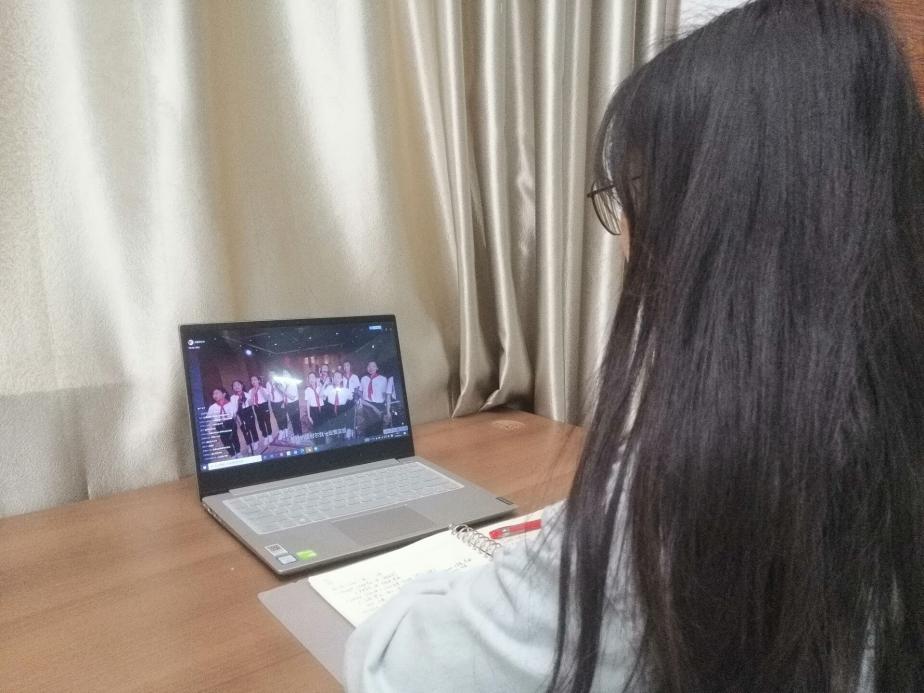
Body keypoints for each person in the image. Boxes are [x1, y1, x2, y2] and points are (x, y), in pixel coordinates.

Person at [344, 1, 924, 691]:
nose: (624, 233)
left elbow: (393, 666)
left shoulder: (684, 508)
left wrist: (494, 570)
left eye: (634, 195)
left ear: (708, 220)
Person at [356, 361, 390, 437]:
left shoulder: (383, 379)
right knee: (368, 429)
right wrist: (363, 399)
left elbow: (386, 394)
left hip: (379, 406)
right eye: (369, 366)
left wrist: (385, 409)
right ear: (367, 368)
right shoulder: (363, 379)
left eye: (373, 366)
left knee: (378, 429)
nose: (371, 368)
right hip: (367, 406)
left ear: (377, 368)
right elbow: (360, 391)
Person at [206, 387, 239, 458]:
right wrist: (209, 430)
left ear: (224, 394)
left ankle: (238, 452)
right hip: (219, 425)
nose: (215, 395)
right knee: (225, 441)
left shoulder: (230, 404)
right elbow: (210, 420)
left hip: (230, 423)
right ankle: (232, 454)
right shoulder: (212, 407)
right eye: (213, 394)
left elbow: (235, 415)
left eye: (217, 393)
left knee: (235, 438)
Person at [230, 379, 257, 455]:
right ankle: (249, 444)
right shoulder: (233, 397)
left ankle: (256, 441)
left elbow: (251, 404)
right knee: (244, 431)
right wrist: (237, 418)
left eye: (238, 384)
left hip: (248, 411)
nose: (236, 386)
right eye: (234, 385)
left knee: (252, 428)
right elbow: (234, 409)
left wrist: (252, 395)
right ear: (233, 388)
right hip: (240, 414)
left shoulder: (247, 394)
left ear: (242, 385)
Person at [248, 375, 273, 446]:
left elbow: (267, 399)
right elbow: (250, 403)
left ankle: (270, 435)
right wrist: (253, 394)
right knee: (260, 423)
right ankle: (265, 436)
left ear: (258, 381)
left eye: (255, 380)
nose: (253, 381)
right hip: (257, 407)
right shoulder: (250, 391)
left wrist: (261, 390)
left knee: (267, 421)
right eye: (252, 380)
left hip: (264, 405)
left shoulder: (264, 389)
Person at [267, 372, 289, 441]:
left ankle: (286, 429)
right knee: (277, 417)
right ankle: (281, 430)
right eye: (270, 374)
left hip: (281, 402)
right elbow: (269, 394)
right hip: (273, 403)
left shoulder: (279, 382)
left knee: (283, 416)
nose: (271, 376)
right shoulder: (268, 384)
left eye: (273, 374)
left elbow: (283, 392)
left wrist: (284, 402)